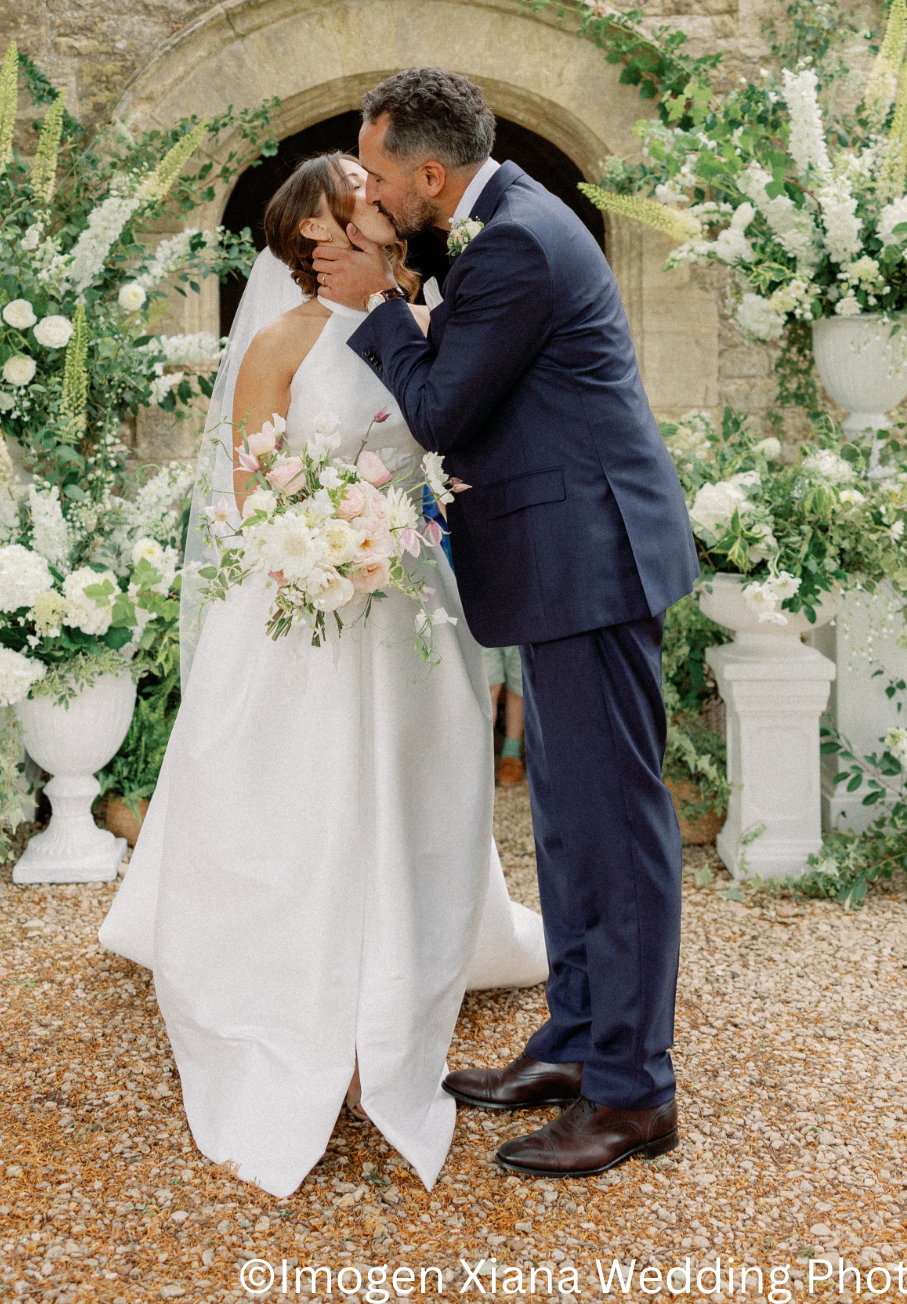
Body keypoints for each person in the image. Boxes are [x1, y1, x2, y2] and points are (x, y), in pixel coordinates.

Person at [98, 152, 546, 1201]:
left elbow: (457, 454)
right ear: (315, 241)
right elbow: (251, 499)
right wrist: (326, 547)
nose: (378, 214)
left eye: (376, 211)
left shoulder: (431, 326)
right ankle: (303, 1005)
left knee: (416, 791)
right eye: (351, 214)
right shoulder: (279, 345)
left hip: (411, 603)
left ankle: (403, 979)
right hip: (305, 605)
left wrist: (403, 530)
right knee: (301, 802)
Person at [310, 70, 699, 1181]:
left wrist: (377, 299)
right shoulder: (499, 219)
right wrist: (405, 273)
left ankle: (634, 1094)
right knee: (571, 824)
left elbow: (440, 407)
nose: (373, 196)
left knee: (614, 830)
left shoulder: (520, 241)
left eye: (382, 176)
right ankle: (578, 1042)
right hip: (562, 555)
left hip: (593, 560)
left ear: (432, 174)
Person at [485, 645, 526, 785]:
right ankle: (481, 758)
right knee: (486, 686)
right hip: (482, 627)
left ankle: (511, 754)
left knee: (518, 686)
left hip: (520, 627)